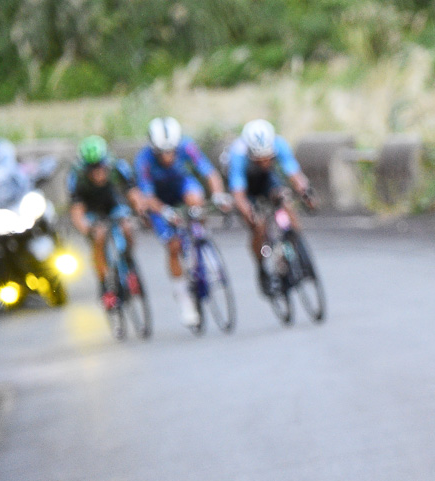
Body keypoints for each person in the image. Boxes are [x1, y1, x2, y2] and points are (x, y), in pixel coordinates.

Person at [134, 116, 232, 328]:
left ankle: (201, 240)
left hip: (181, 187)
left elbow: (210, 173)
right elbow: (147, 198)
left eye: (171, 151)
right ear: (153, 149)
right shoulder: (143, 160)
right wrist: (164, 212)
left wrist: (217, 195)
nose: (168, 157)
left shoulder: (187, 146)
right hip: (158, 199)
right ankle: (184, 299)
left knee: (196, 202)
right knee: (174, 245)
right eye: (162, 153)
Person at [226, 118, 314, 295]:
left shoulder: (279, 143)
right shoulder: (238, 154)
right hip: (247, 187)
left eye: (269, 157)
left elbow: (295, 174)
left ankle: (296, 245)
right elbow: (238, 195)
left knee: (285, 202)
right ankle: (261, 266)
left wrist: (306, 193)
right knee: (257, 225)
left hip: (267, 180)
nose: (265, 162)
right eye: (260, 159)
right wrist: (249, 214)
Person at [67, 135, 141, 309]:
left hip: (113, 205)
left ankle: (128, 262)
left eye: (101, 168)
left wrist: (139, 211)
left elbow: (133, 194)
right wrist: (88, 229)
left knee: (127, 227)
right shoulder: (76, 178)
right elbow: (77, 212)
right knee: (99, 238)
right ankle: (105, 285)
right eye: (93, 170)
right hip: (91, 211)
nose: (98, 174)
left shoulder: (119, 167)